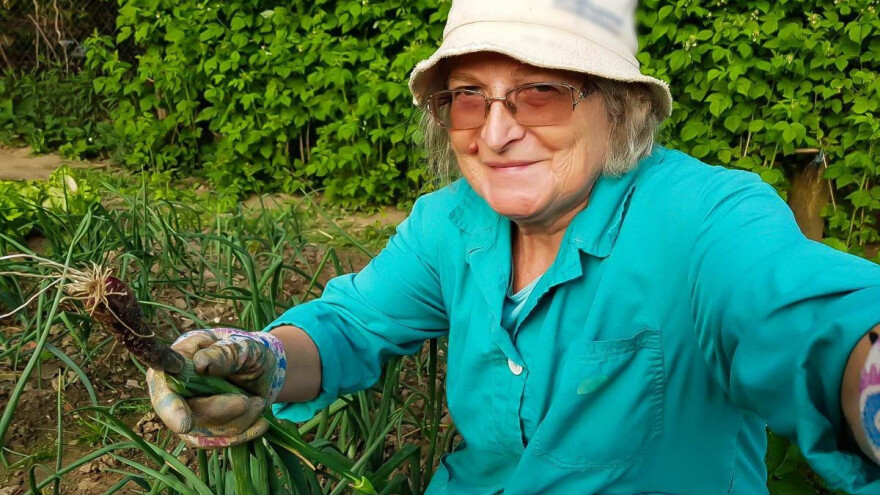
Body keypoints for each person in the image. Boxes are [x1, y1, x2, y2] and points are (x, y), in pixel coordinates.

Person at [146, 1, 880, 493]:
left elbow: (805, 314)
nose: (494, 133)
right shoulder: (449, 225)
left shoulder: (701, 217)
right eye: (470, 95)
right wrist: (262, 358)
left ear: (616, 105)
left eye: (540, 92)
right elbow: (348, 327)